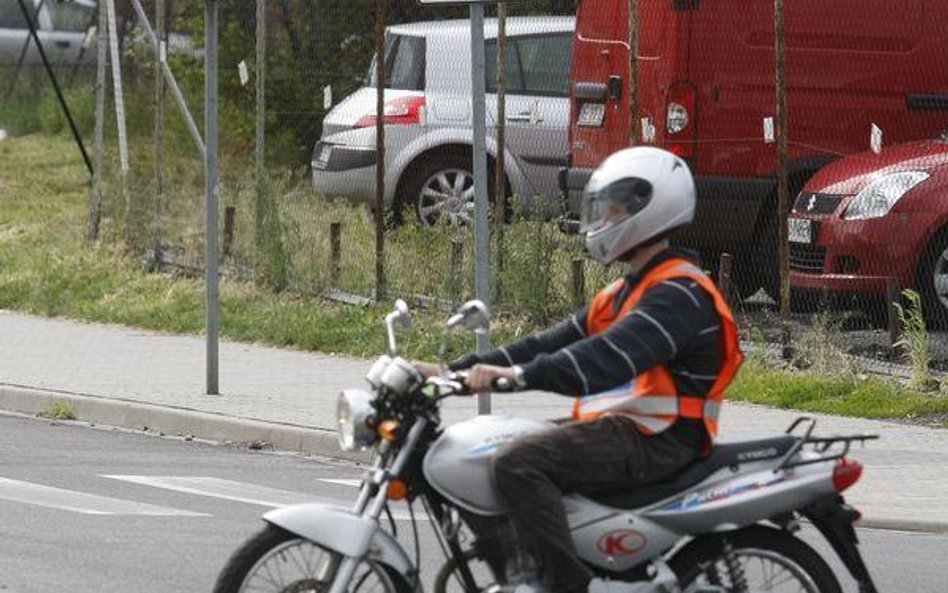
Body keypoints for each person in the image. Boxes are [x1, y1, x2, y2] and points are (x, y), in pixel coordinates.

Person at [415, 146, 743, 593]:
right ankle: (521, 572)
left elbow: (604, 360)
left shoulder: (678, 293)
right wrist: (450, 371)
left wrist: (517, 378)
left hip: (662, 439)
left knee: (519, 462)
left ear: (651, 210)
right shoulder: (629, 290)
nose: (603, 221)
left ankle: (570, 586)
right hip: (630, 431)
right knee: (487, 447)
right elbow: (546, 343)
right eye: (602, 210)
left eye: (614, 210)